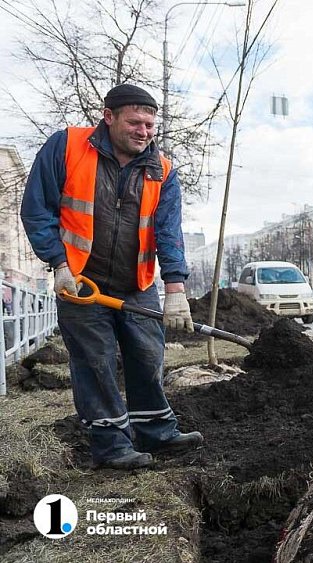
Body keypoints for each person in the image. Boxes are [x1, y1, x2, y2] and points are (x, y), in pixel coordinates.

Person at [20, 84, 202, 469]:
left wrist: (175, 288)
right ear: (109, 117)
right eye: (135, 122)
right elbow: (37, 210)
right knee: (95, 362)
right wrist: (59, 264)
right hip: (81, 283)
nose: (144, 131)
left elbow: (168, 233)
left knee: (148, 355)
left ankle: (157, 431)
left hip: (135, 284)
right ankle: (111, 446)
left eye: (150, 125)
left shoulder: (162, 170)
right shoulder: (66, 146)